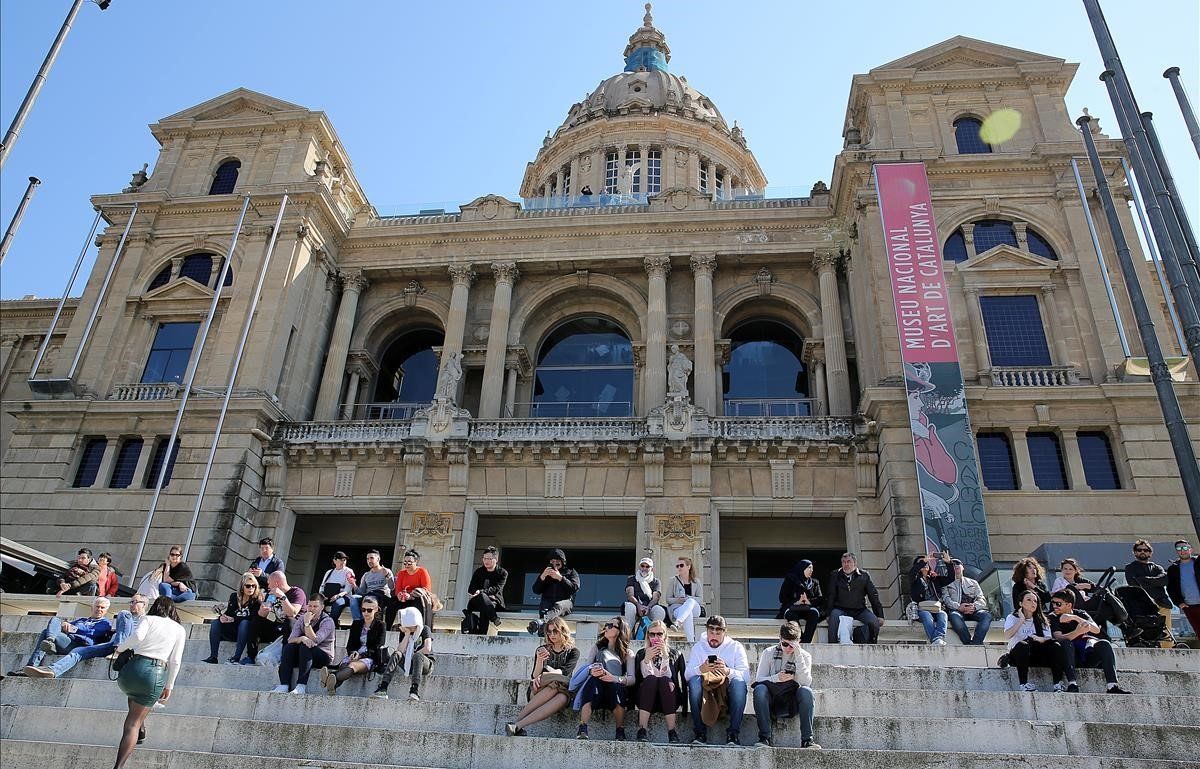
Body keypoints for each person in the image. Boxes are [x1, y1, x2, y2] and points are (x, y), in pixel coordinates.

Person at [111, 596, 186, 769]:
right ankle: (119, 766)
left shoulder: (148, 619)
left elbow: (137, 636)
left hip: (131, 670)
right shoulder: (179, 629)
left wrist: (121, 648)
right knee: (133, 723)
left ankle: (142, 729)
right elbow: (175, 661)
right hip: (154, 672)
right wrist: (170, 685)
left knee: (134, 696)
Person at [505, 616, 579, 736]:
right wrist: (539, 660)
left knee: (562, 696)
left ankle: (516, 725)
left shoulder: (573, 652)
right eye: (549, 632)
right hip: (539, 688)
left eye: (555, 631)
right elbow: (534, 675)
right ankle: (517, 724)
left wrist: (546, 674)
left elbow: (565, 672)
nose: (552, 635)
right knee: (553, 687)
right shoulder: (542, 649)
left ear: (563, 631)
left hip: (562, 690)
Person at [752, 621, 820, 749]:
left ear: (798, 641)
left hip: (792, 699)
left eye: (792, 645)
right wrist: (777, 678)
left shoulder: (805, 656)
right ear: (780, 639)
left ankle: (807, 740)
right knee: (759, 689)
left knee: (807, 692)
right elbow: (759, 679)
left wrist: (798, 655)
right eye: (785, 644)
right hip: (773, 697)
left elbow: (806, 682)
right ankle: (764, 738)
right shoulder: (769, 652)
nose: (788, 648)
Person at [1048, 590, 1131, 694]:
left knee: (1104, 643)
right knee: (1066, 643)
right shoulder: (1053, 617)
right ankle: (1072, 684)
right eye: (1053, 603)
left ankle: (1112, 685)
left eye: (1058, 604)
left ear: (1069, 605)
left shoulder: (1080, 613)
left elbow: (1096, 629)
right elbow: (1058, 637)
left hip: (1087, 655)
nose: (1054, 606)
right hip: (1070, 658)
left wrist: (1074, 618)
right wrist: (1077, 632)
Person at [685, 615, 750, 746]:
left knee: (739, 683)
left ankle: (733, 734)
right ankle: (700, 733)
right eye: (711, 631)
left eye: (718, 632)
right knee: (694, 682)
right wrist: (701, 669)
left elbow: (746, 677)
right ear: (706, 631)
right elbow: (687, 676)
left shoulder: (736, 647)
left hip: (727, 694)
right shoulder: (698, 647)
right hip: (706, 691)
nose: (714, 635)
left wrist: (727, 671)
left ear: (724, 632)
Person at [16, 596, 115, 678]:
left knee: (47, 631)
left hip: (81, 646)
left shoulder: (105, 623)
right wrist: (64, 624)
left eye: (102, 608)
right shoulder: (82, 620)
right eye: (97, 607)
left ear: (106, 610)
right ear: (92, 607)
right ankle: (49, 642)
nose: (99, 609)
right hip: (68, 641)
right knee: (54, 622)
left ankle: (48, 646)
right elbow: (64, 627)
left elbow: (90, 632)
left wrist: (72, 627)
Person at [574, 616, 635, 740]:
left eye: (611, 625)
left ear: (620, 631)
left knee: (617, 687)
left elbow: (632, 678)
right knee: (591, 681)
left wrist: (614, 678)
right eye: (606, 624)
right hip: (597, 688)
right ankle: (583, 727)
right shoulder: (597, 648)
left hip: (615, 687)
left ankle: (620, 729)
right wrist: (593, 671)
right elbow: (587, 668)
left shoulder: (628, 653)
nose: (606, 627)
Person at [632, 619, 686, 743]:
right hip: (646, 697)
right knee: (651, 679)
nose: (656, 637)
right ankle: (642, 729)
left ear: (665, 635)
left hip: (668, 696)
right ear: (648, 636)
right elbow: (642, 678)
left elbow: (673, 678)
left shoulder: (675, 654)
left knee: (665, 681)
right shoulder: (641, 653)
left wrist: (666, 656)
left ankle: (672, 731)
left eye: (659, 634)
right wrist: (646, 660)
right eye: (652, 634)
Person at [1004, 589, 1069, 692]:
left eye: (1035, 601)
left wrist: (1040, 639)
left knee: (1056, 645)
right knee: (1022, 645)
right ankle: (1023, 684)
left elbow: (1048, 638)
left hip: (1036, 654)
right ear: (1021, 603)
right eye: (1029, 600)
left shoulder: (1042, 620)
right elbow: (1007, 635)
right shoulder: (1012, 617)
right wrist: (1021, 620)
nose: (1033, 603)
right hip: (1018, 656)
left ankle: (1057, 684)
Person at [321, 595, 388, 695]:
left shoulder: (380, 625)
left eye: (369, 610)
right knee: (345, 665)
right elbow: (350, 644)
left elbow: (378, 647)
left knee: (352, 665)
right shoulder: (357, 624)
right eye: (363, 609)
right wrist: (352, 653)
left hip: (370, 657)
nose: (365, 613)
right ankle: (333, 686)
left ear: (376, 610)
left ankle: (329, 676)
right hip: (355, 655)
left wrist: (361, 656)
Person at [273, 596, 335, 694]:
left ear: (322, 607)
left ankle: (301, 685)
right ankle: (284, 685)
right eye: (309, 606)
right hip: (304, 655)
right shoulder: (302, 618)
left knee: (305, 646)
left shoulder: (327, 621)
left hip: (323, 656)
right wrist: (302, 638)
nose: (311, 609)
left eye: (315, 606)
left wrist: (307, 623)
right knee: (290, 647)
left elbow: (315, 640)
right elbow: (290, 640)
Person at [373, 606, 433, 701]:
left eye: (410, 625)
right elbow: (400, 650)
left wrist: (412, 656)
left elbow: (427, 649)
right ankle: (383, 687)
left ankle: (414, 690)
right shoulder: (405, 631)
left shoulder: (424, 629)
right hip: (409, 664)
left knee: (418, 655)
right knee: (396, 654)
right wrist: (407, 634)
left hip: (425, 664)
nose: (409, 627)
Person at [1125, 539, 1175, 648]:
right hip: (1142, 605)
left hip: (1162, 604)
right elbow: (1134, 584)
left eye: (1146, 550)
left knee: (1166, 633)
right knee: (1146, 631)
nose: (1143, 552)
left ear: (1150, 552)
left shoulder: (1158, 567)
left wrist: (1145, 580)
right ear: (1135, 552)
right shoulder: (1130, 568)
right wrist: (1155, 582)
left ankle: (1168, 653)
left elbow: (1165, 580)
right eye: (1139, 550)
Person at [204, 572, 262, 665]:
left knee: (245, 623)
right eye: (248, 586)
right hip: (232, 631)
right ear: (242, 587)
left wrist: (234, 619)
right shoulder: (234, 597)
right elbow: (229, 613)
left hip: (246, 633)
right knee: (216, 623)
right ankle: (213, 656)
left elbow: (253, 618)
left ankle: (236, 657)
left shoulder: (257, 600)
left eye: (253, 586)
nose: (251, 588)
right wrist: (223, 617)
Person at [825, 553, 884, 644]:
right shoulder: (835, 575)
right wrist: (828, 613)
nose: (846, 564)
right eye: (844, 562)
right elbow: (831, 595)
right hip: (841, 608)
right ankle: (832, 646)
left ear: (855, 563)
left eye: (849, 562)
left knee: (874, 622)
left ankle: (871, 645)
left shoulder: (864, 576)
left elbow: (873, 595)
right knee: (833, 618)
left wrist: (879, 615)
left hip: (860, 610)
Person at [939, 554, 993, 645]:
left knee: (987, 615)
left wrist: (974, 606)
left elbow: (981, 598)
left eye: (957, 564)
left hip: (974, 610)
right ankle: (968, 642)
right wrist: (959, 607)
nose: (955, 566)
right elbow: (946, 599)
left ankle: (976, 642)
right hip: (957, 610)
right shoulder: (946, 584)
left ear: (962, 567)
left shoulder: (973, 582)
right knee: (954, 616)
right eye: (953, 565)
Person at [527, 548, 580, 636]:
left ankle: (541, 622)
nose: (555, 564)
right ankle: (541, 631)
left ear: (562, 562)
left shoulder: (571, 572)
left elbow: (574, 588)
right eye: (552, 561)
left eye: (557, 561)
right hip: (548, 602)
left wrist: (560, 578)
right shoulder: (545, 573)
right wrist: (543, 576)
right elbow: (536, 590)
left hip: (566, 603)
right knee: (544, 607)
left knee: (558, 605)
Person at [254, 571, 306, 650]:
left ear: (277, 583)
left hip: (292, 629)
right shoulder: (271, 594)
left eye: (269, 583)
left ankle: (285, 657)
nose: (268, 586)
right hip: (276, 627)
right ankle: (250, 656)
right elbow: (264, 614)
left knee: (289, 621)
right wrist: (262, 611)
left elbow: (292, 614)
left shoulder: (297, 592)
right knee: (256, 620)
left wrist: (282, 597)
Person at [463, 546, 508, 634]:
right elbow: (471, 588)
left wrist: (481, 592)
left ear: (496, 559)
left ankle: (482, 634)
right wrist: (477, 593)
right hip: (476, 600)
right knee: (482, 598)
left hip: (494, 601)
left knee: (484, 605)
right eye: (484, 558)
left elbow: (497, 588)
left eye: (489, 559)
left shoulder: (502, 573)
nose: (486, 561)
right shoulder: (479, 571)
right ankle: (494, 618)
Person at [776, 559, 822, 644]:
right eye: (809, 568)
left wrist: (808, 601)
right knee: (791, 615)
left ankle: (805, 642)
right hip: (792, 608)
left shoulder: (815, 582)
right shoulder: (790, 579)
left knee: (814, 614)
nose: (811, 570)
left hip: (807, 609)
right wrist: (797, 601)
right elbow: (782, 598)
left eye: (812, 568)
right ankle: (800, 639)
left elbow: (820, 598)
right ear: (802, 568)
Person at [909, 555, 947, 645]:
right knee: (926, 616)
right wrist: (923, 561)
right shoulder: (915, 579)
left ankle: (937, 638)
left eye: (926, 562)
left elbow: (950, 579)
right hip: (922, 608)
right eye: (922, 563)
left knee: (943, 614)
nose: (925, 564)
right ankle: (936, 640)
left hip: (936, 607)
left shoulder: (934, 579)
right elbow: (912, 573)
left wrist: (948, 563)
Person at [392, 549, 434, 630]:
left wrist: (410, 595)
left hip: (417, 597)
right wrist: (400, 595)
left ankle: (417, 626)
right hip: (404, 598)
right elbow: (398, 590)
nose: (406, 564)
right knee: (392, 602)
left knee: (418, 601)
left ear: (416, 561)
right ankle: (388, 626)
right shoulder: (401, 573)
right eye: (405, 562)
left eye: (409, 562)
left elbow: (426, 589)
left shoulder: (422, 571)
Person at [1166, 539, 1200, 638]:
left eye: (1185, 547)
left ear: (1191, 549)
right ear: (1177, 551)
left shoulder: (1198, 563)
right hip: (1189, 606)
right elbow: (1171, 588)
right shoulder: (1173, 569)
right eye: (1179, 548)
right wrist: (1178, 603)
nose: (1182, 550)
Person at [623, 557, 666, 633]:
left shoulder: (656, 581)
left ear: (651, 569)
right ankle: (628, 635)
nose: (644, 568)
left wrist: (648, 607)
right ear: (640, 567)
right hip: (635, 607)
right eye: (642, 566)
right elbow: (630, 595)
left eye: (647, 566)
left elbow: (655, 598)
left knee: (659, 610)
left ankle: (654, 634)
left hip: (649, 608)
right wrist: (638, 606)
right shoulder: (632, 579)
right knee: (629, 607)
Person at [352, 549, 395, 623]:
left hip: (382, 596)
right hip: (368, 595)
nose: (369, 561)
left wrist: (387, 576)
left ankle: (374, 623)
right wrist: (353, 584)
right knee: (353, 598)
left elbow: (392, 587)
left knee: (370, 598)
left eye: (371, 558)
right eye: (367, 559)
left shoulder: (386, 571)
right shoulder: (366, 575)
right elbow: (361, 592)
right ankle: (358, 622)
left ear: (378, 559)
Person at [668, 557, 704, 643]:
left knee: (690, 601)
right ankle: (691, 642)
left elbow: (700, 599)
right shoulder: (673, 580)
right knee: (688, 613)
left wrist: (689, 598)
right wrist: (678, 600)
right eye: (677, 566)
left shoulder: (696, 582)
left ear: (688, 566)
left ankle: (678, 623)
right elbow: (668, 599)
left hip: (695, 608)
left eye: (681, 565)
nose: (679, 568)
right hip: (678, 608)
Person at [318, 551, 357, 625]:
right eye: (340, 560)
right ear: (334, 560)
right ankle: (319, 623)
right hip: (327, 596)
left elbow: (348, 589)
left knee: (337, 603)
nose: (343, 562)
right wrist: (322, 595)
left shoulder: (349, 571)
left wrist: (338, 596)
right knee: (317, 603)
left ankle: (331, 624)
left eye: (344, 560)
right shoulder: (329, 572)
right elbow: (322, 586)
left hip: (344, 597)